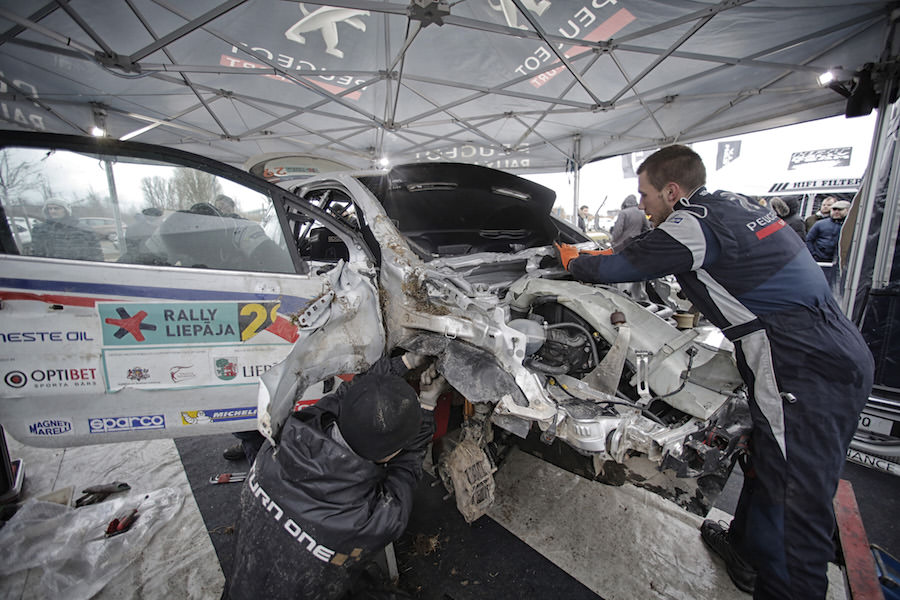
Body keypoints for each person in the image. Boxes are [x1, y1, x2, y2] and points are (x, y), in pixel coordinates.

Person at [555, 145, 873, 598]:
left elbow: (627, 264)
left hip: (800, 364)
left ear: (671, 191)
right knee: (768, 464)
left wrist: (572, 260)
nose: (641, 205)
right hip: (828, 344)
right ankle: (746, 552)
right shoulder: (733, 205)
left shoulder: (693, 221)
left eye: (644, 195)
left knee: (796, 502)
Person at [228, 351, 442, 600]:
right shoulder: (373, 520)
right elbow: (406, 469)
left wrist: (405, 361)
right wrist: (427, 405)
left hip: (241, 585)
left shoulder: (284, 437)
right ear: (388, 456)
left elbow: (345, 396)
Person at [30, 199, 103, 261]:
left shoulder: (83, 229)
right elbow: (36, 252)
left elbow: (96, 252)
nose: (53, 211)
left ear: (66, 210)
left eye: (56, 208)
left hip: (79, 268)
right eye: (50, 208)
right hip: (51, 269)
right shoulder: (40, 230)